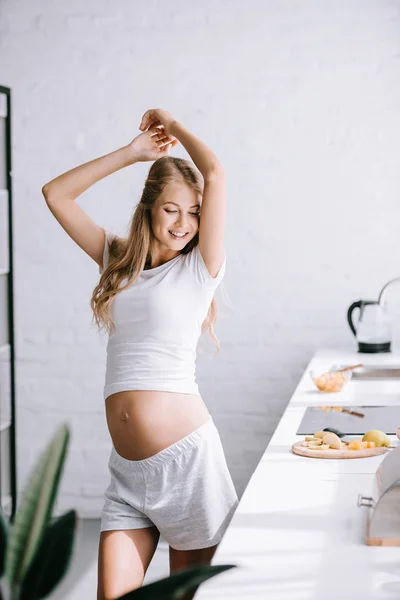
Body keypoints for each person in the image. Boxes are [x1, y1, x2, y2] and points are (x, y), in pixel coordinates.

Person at [42, 108, 239, 600]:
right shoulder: (117, 258)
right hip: (129, 473)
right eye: (172, 209)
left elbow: (214, 172)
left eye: (194, 212)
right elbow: (55, 194)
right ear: (150, 207)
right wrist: (133, 153)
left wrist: (172, 124)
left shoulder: (200, 269)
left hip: (188, 465)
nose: (184, 223)